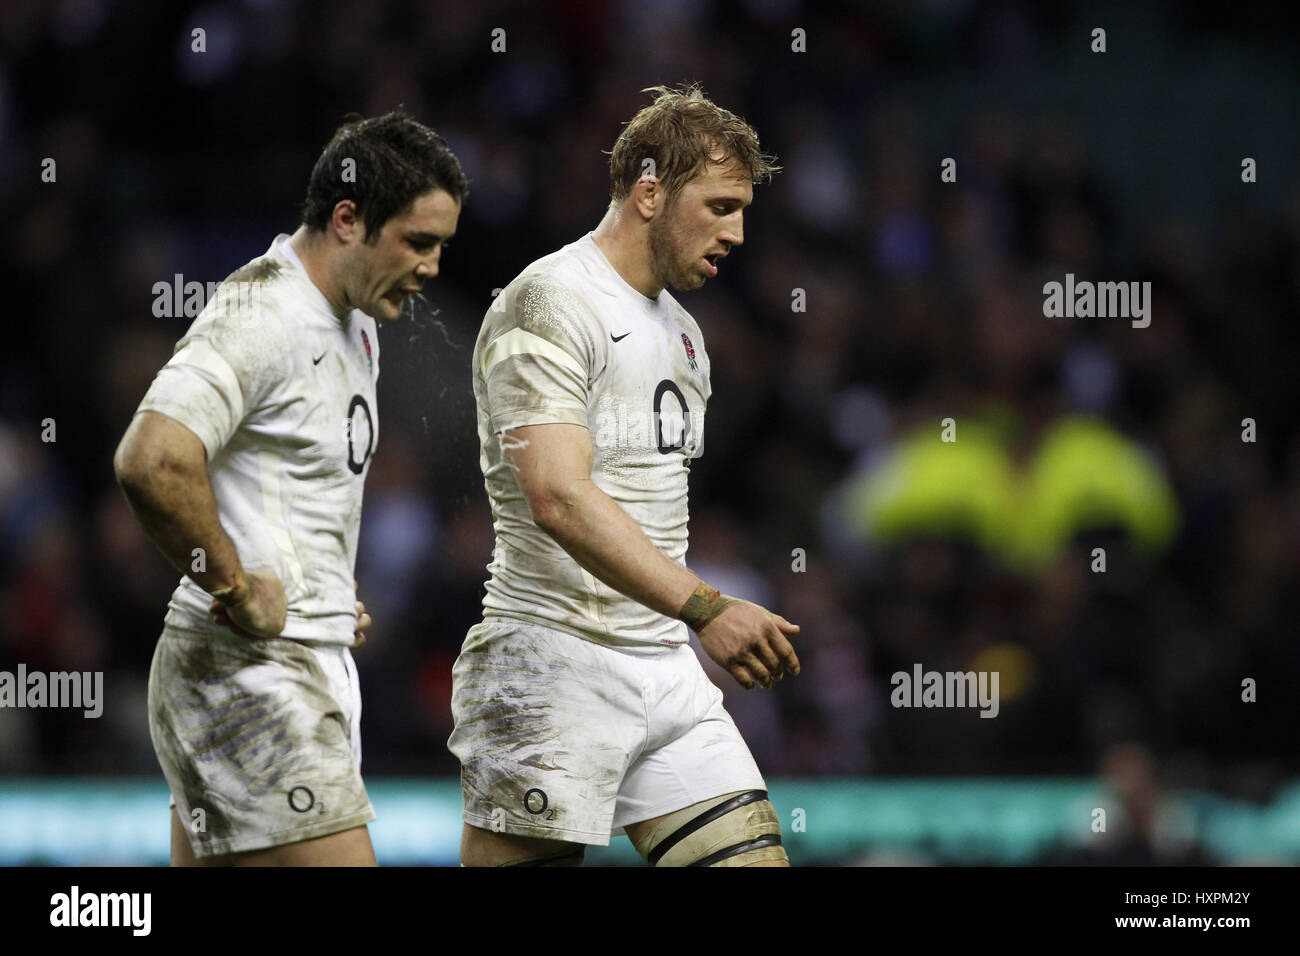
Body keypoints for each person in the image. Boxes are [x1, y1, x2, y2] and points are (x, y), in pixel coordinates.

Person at [450, 84, 799, 867]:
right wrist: (706, 606)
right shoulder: (547, 303)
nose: (737, 232)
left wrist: (685, 620)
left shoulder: (683, 332)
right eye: (719, 206)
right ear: (650, 193)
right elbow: (558, 496)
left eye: (743, 210)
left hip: (663, 667)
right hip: (549, 662)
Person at [113, 109, 466, 865]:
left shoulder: (354, 319)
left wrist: (321, 593)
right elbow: (152, 458)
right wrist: (237, 587)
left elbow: (283, 482)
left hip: (287, 663)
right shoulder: (262, 310)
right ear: (348, 218)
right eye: (419, 241)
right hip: (248, 680)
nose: (433, 265)